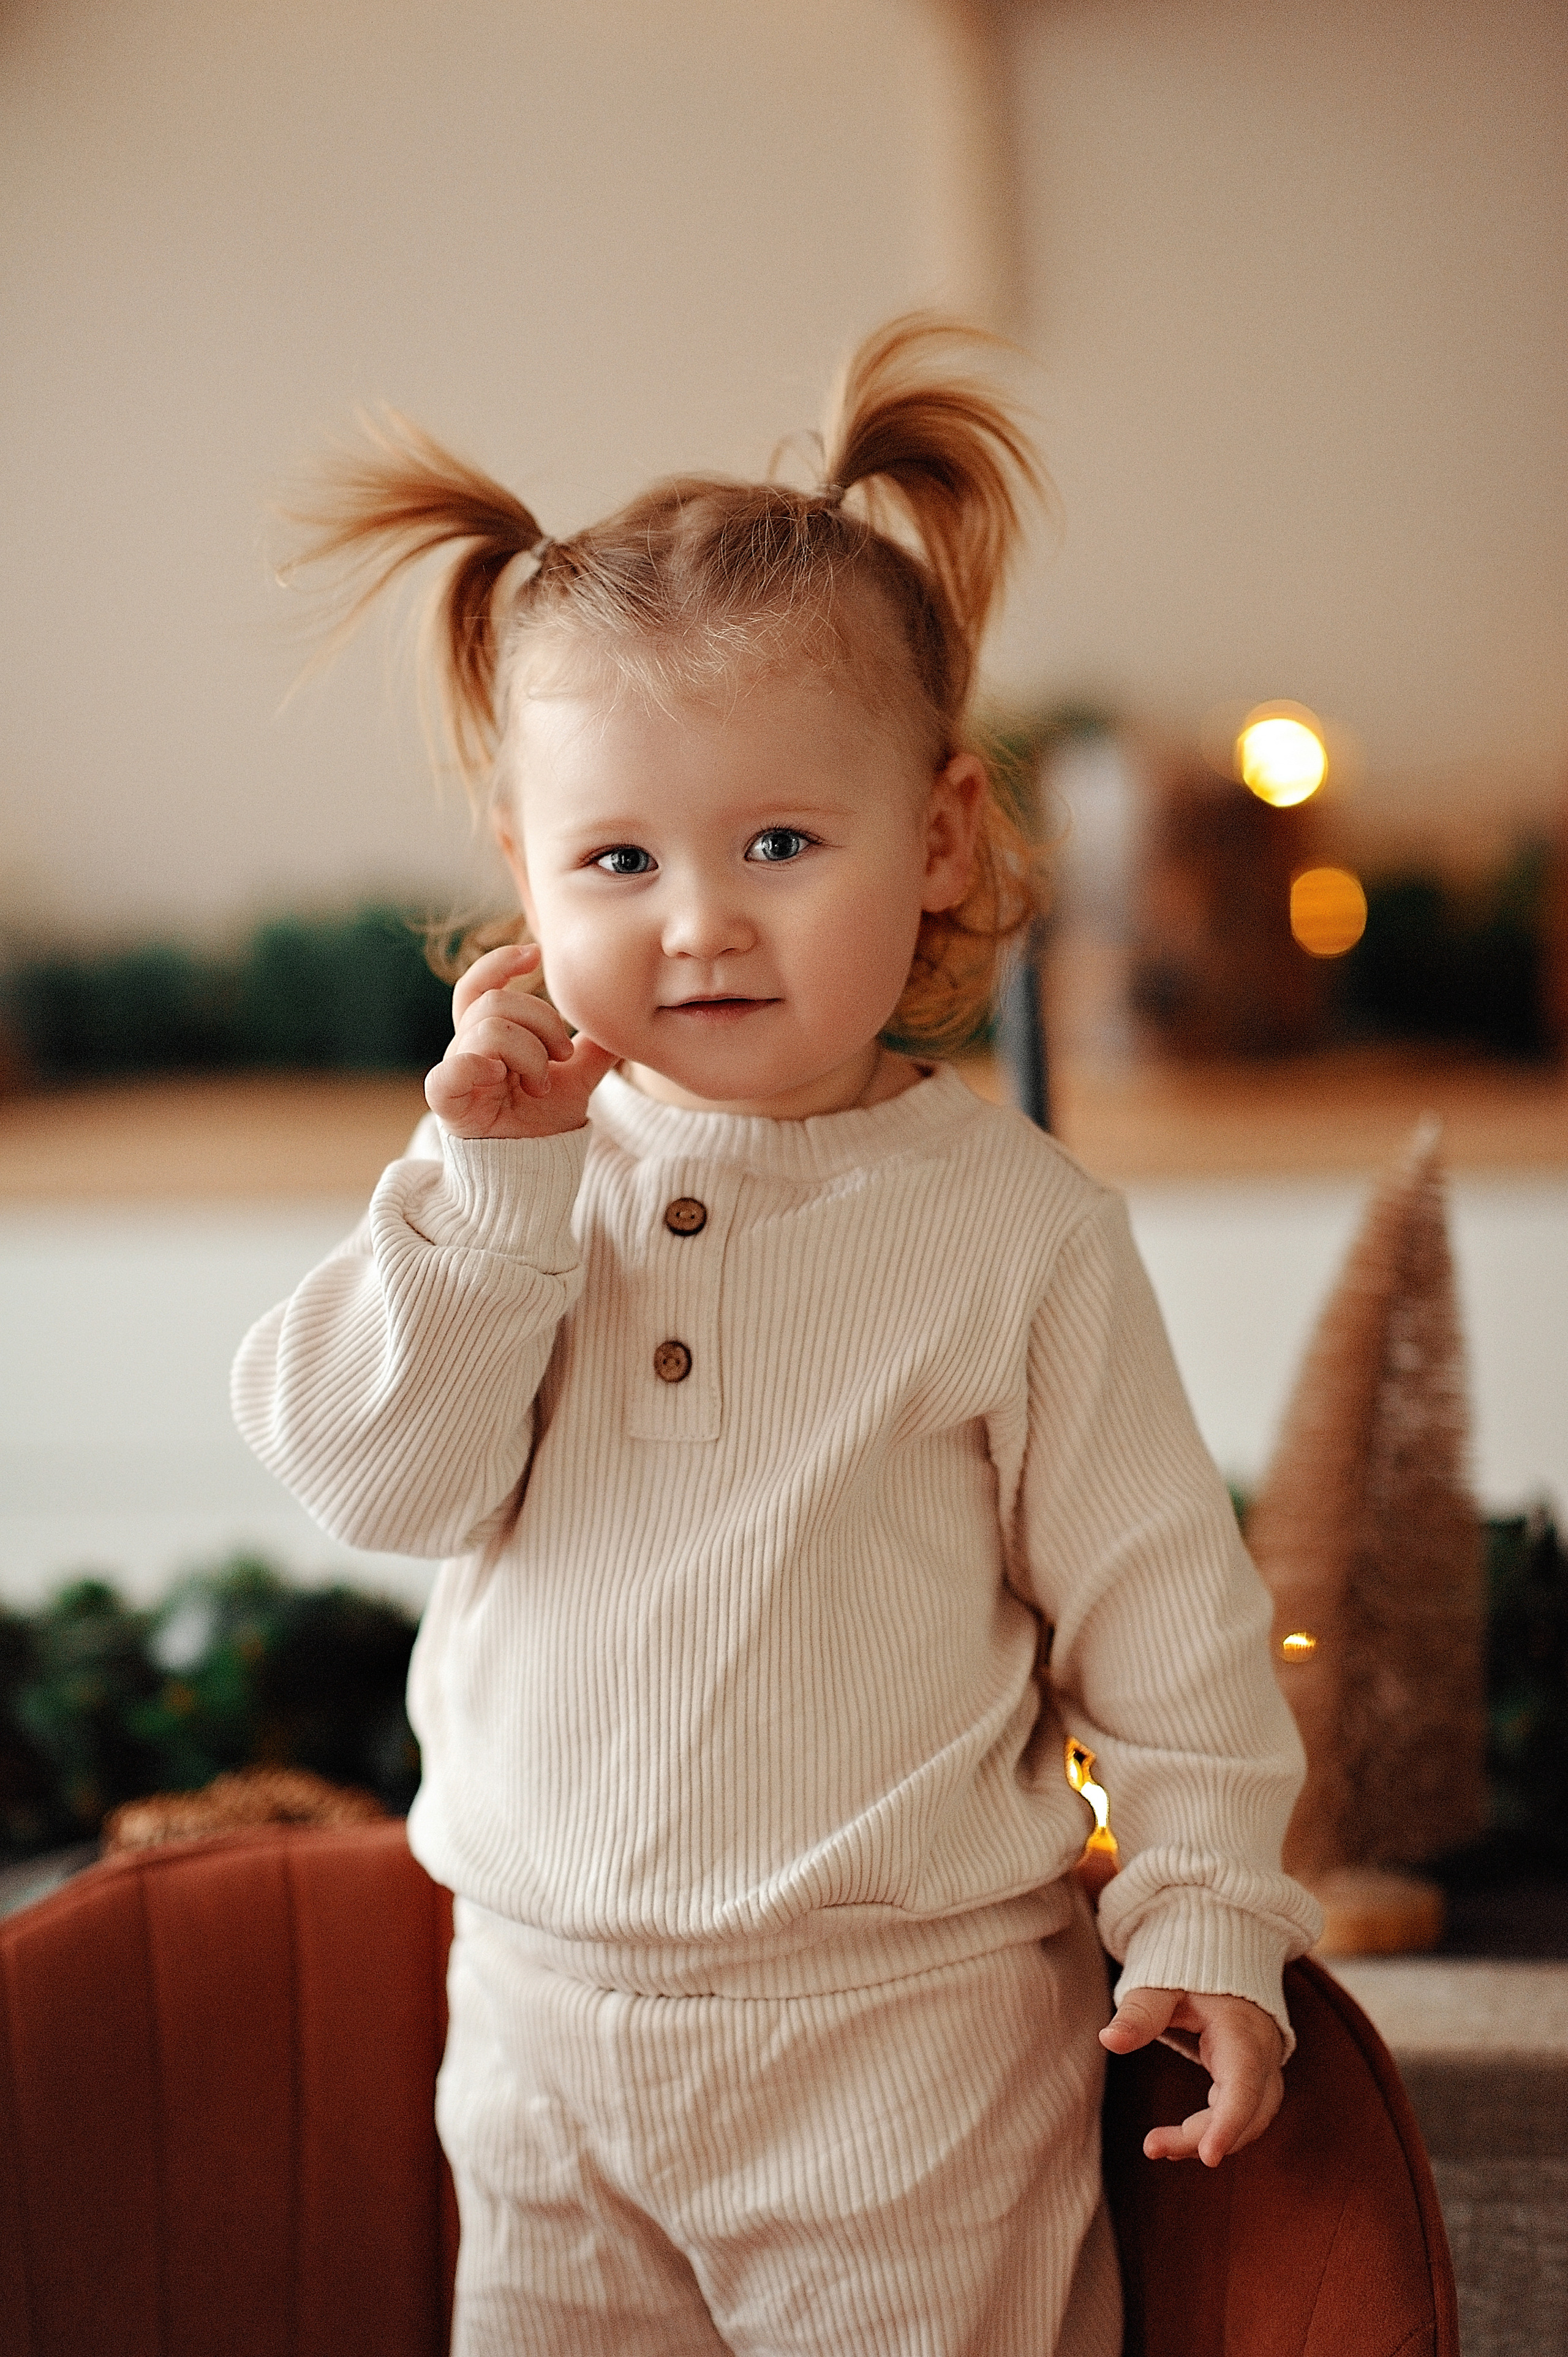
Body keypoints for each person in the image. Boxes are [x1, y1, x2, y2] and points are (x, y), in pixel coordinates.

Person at [233, 317, 1321, 2357]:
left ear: (937, 839)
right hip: (540, 2026)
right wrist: (486, 1200)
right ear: (523, 879)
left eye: (780, 846)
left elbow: (1170, 1624)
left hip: (905, 2046)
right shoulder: (500, 1174)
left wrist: (1209, 1915)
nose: (699, 922)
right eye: (618, 862)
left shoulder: (1011, 1230)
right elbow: (377, 1480)